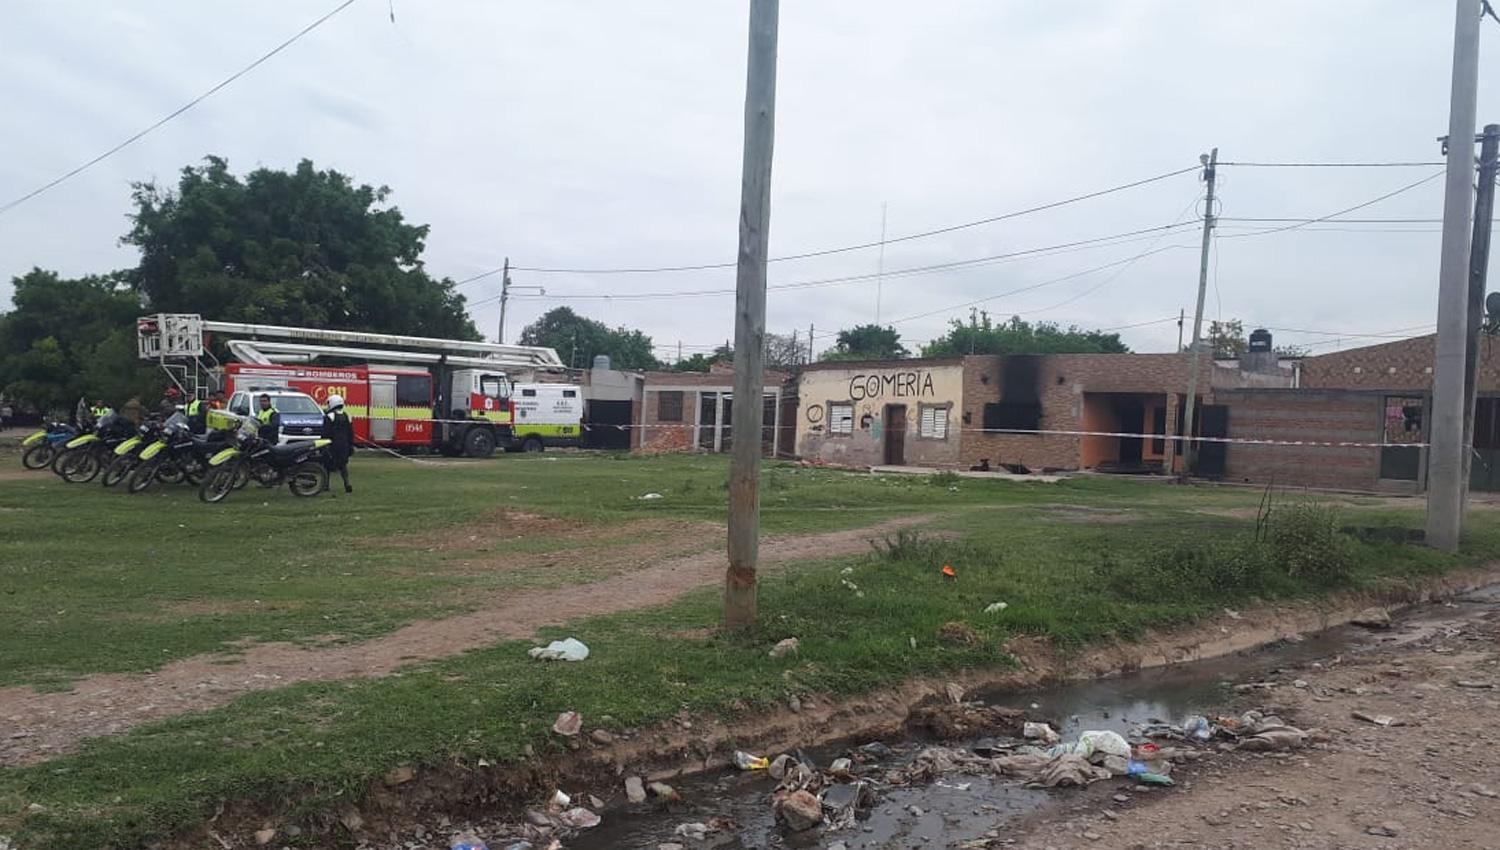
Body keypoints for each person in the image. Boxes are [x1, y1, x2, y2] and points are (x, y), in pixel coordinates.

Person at [320, 394, 354, 493]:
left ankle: (326, 485)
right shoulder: (347, 416)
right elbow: (351, 433)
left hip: (332, 445)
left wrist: (323, 445)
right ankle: (347, 483)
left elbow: (325, 432)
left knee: (327, 465)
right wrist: (351, 446)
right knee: (343, 466)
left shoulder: (329, 416)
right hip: (344, 445)